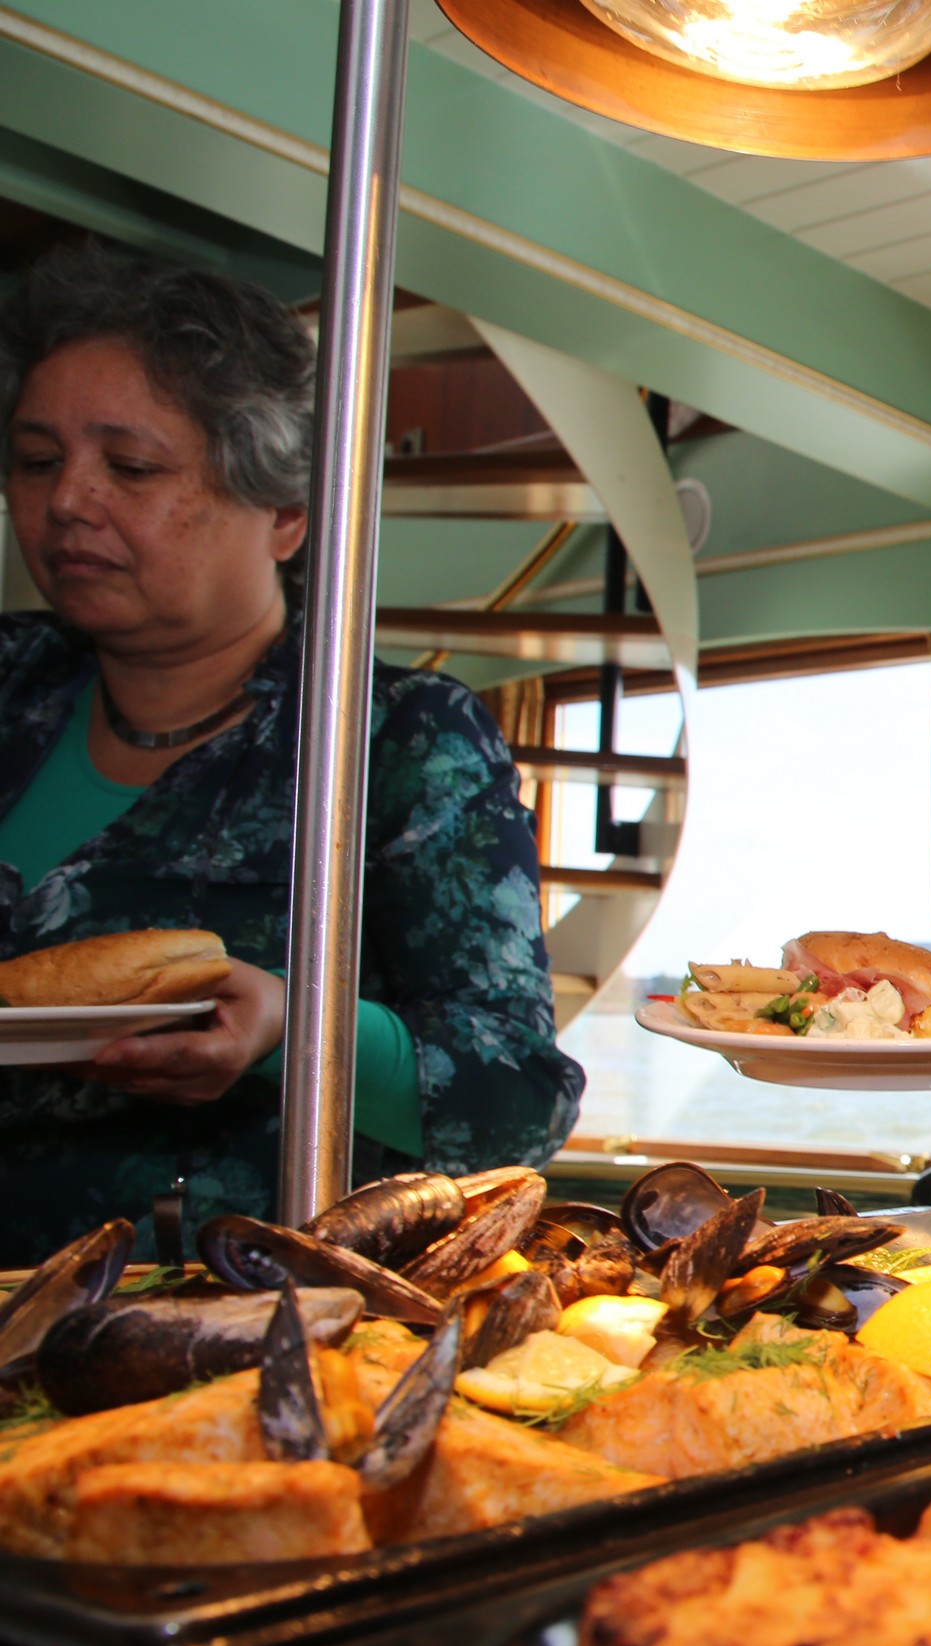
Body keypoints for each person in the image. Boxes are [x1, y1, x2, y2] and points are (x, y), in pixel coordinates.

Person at [0, 244, 583, 1261]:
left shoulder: (397, 738)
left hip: (227, 1314)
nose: (67, 501)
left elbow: (518, 1105)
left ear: (284, 513)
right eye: (38, 459)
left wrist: (295, 1027)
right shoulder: (11, 681)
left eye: (131, 467)